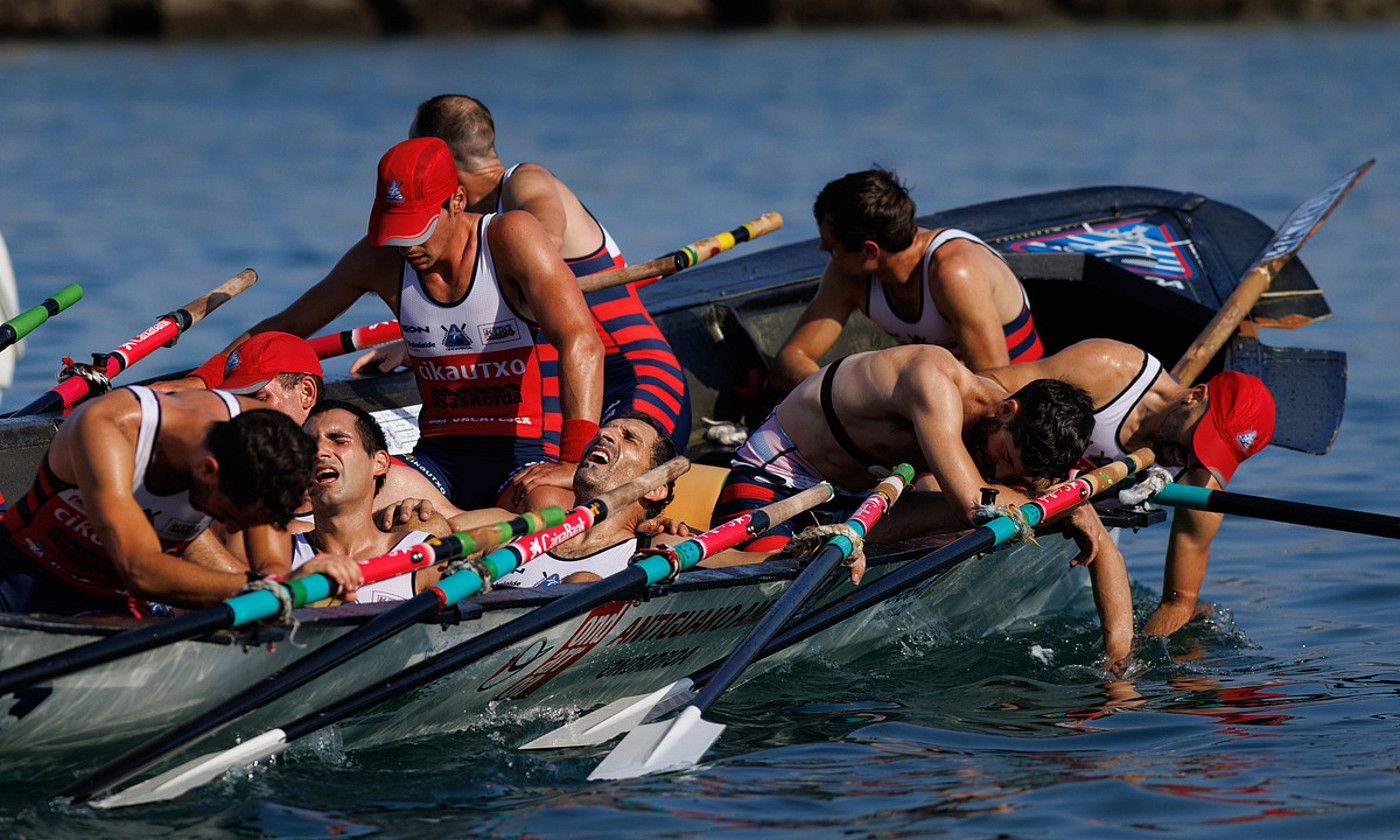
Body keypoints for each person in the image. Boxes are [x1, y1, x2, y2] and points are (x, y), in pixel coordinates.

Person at [187, 137, 605, 514]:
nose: (407, 246)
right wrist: (200, 380)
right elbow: (285, 327)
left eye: (417, 230)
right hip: (438, 458)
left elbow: (581, 341)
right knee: (330, 504)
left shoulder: (511, 236)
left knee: (551, 506)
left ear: (457, 201)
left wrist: (572, 462)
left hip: (525, 453)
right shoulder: (380, 260)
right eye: (397, 231)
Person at [711, 344, 1133, 670]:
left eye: (1012, 470)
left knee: (1052, 512)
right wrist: (1061, 506)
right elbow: (974, 505)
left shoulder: (1024, 431)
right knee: (986, 513)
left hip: (853, 503)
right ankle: (678, 549)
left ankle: (821, 561)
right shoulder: (932, 379)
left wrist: (1119, 655)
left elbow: (1097, 537)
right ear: (1006, 410)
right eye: (1003, 457)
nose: (999, 471)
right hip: (777, 482)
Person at [355, 94, 692, 457]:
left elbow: (547, 238)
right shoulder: (461, 227)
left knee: (594, 480)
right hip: (568, 391)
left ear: (446, 165)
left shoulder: (525, 183)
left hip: (636, 379)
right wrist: (422, 342)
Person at [984, 338, 1276, 638]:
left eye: (1210, 455)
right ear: (1195, 396)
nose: (1190, 458)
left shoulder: (1199, 480)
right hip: (989, 479)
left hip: (1051, 522)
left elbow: (1179, 601)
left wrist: (1139, 659)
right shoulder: (1111, 371)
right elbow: (988, 388)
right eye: (1201, 439)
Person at [0, 386, 361, 616]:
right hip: (22, 578)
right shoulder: (110, 427)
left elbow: (269, 570)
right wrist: (268, 590)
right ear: (208, 469)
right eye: (230, 516)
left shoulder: (261, 439)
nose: (232, 529)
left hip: (112, 601)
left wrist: (289, 589)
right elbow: (140, 571)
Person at [390, 412, 766, 590]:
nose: (603, 435)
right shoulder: (518, 525)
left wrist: (816, 543)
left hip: (548, 671)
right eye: (605, 430)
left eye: (627, 438)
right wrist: (413, 516)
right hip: (461, 658)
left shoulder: (659, 547)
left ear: (655, 489)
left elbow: (760, 564)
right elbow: (442, 529)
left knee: (583, 582)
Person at [771, 167, 1043, 395]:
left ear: (870, 251)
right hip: (937, 393)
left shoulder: (955, 271)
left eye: (830, 245)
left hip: (1019, 404)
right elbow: (791, 359)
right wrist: (838, 399)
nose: (822, 249)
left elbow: (993, 392)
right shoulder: (848, 273)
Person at [186, 330, 460, 518]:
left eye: (259, 399)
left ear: (306, 392)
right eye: (235, 402)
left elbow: (482, 524)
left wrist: (428, 523)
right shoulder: (224, 475)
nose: (242, 416)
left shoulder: (384, 480)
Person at [290, 401, 445, 602]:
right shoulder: (278, 553)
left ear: (379, 463)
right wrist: (291, 586)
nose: (319, 451)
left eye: (339, 440)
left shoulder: (424, 554)